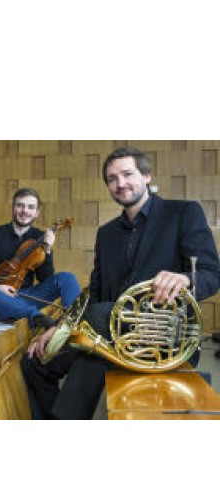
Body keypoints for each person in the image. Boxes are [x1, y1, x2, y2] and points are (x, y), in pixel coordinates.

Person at [21, 147, 220, 419]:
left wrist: (185, 279)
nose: (120, 183)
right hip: (111, 335)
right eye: (112, 179)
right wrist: (59, 327)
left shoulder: (183, 213)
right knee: (35, 361)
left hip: (161, 342)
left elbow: (211, 273)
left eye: (127, 174)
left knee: (96, 334)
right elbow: (95, 293)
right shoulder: (106, 234)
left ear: (146, 176)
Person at [0, 187, 81, 329]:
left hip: (26, 296)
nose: (25, 211)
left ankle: (72, 325)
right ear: (13, 208)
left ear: (36, 212)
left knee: (67, 278)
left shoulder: (40, 238)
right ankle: (36, 317)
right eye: (20, 205)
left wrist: (47, 249)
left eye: (30, 207)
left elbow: (45, 278)